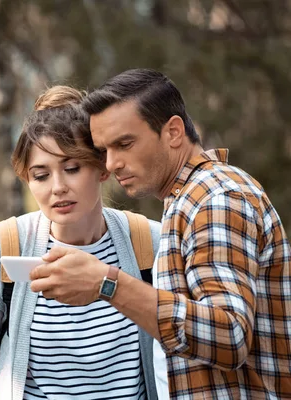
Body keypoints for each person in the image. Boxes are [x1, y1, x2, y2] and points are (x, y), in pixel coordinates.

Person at [29, 69, 291, 399]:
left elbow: (229, 336)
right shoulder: (188, 200)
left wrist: (107, 283)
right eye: (104, 150)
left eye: (124, 144)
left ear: (173, 132)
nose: (111, 165)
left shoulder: (216, 200)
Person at [0, 86, 162, 400]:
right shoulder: (4, 247)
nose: (58, 188)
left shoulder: (150, 243)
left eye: (72, 169)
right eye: (41, 175)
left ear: (102, 168)